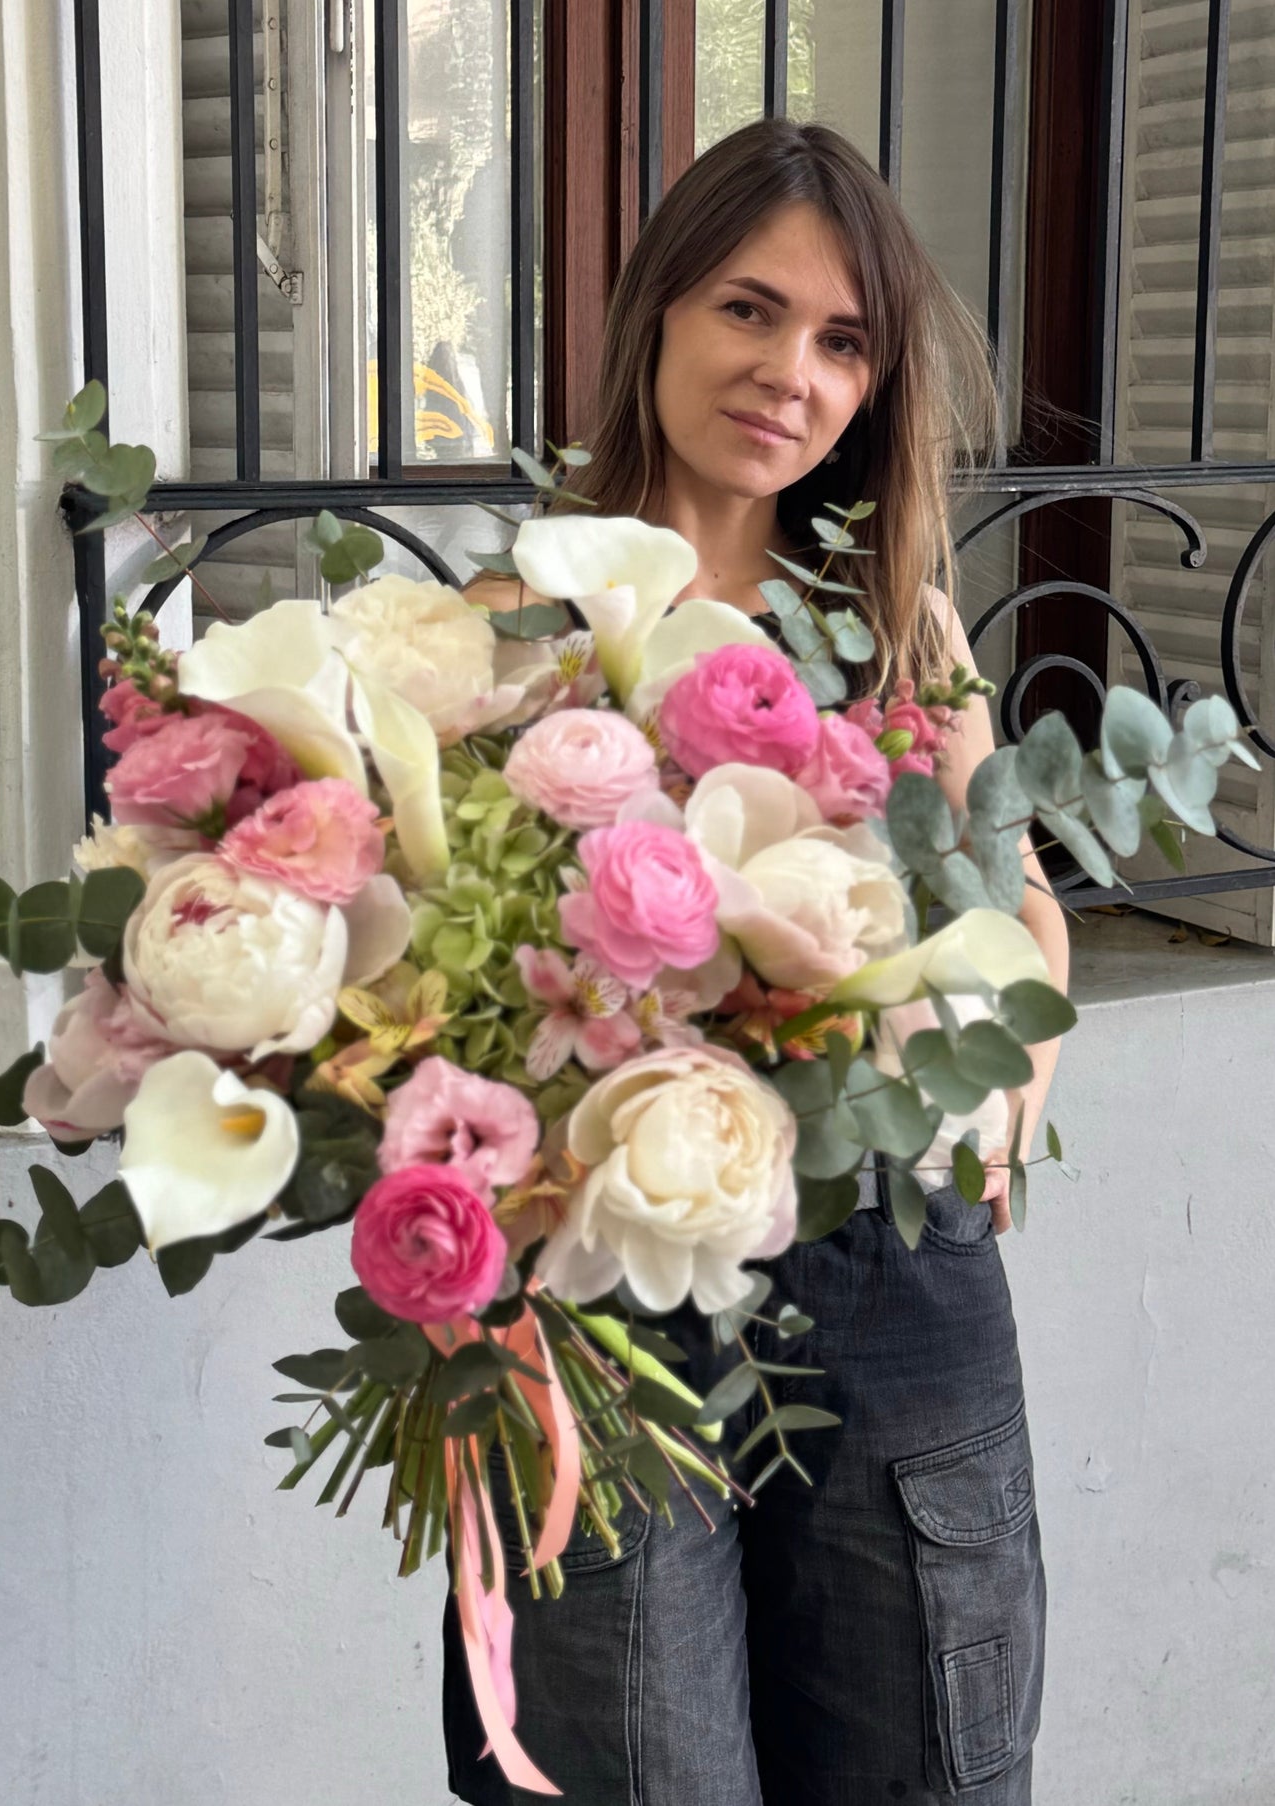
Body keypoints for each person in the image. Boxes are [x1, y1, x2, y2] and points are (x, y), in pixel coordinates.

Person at [445, 116, 1070, 1806]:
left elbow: (1017, 907)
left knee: (925, 1773)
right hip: (598, 1303)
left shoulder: (889, 618)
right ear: (657, 311)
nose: (788, 370)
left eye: (841, 338)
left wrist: (1009, 1084)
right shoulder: (506, 630)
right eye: (747, 307)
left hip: (888, 1272)